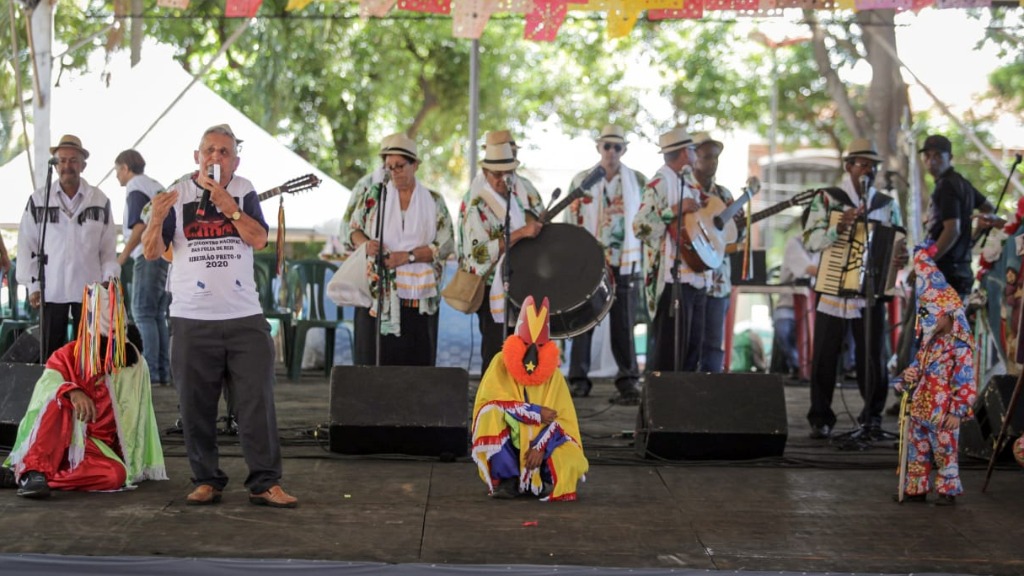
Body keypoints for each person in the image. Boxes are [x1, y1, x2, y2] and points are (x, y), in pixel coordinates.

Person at [141, 123, 297, 508]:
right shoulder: (176, 194)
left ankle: (264, 482)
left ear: (235, 160)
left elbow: (259, 239)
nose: (216, 157)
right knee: (195, 405)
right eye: (209, 150)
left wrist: (230, 207)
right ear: (197, 156)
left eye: (224, 152)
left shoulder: (244, 190)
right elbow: (150, 252)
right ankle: (206, 479)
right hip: (192, 318)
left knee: (255, 403)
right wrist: (156, 219)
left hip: (244, 317)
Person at [3, 280, 166, 499]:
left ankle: (27, 476)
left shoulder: (134, 364)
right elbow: (45, 390)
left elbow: (139, 419)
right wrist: (72, 391)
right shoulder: (66, 355)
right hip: (57, 439)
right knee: (56, 398)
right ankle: (33, 469)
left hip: (96, 448)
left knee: (115, 476)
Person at [802, 138, 905, 440]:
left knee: (873, 357)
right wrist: (838, 228)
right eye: (862, 164)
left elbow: (899, 241)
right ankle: (820, 418)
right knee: (824, 355)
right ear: (848, 166)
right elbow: (810, 241)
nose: (868, 170)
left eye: (872, 166)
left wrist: (901, 256)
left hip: (870, 291)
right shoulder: (827, 199)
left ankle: (871, 416)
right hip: (833, 289)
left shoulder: (886, 205)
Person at [346, 133, 454, 366]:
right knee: (378, 361)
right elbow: (352, 230)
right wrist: (365, 244)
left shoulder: (434, 200)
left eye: (400, 166)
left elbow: (446, 245)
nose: (395, 172)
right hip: (380, 295)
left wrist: (408, 257)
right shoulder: (374, 195)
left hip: (419, 299)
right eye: (389, 167)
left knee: (416, 362)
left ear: (415, 165)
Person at [471, 295, 588, 501]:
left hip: (541, 446)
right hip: (511, 442)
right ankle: (508, 478)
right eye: (526, 343)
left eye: (539, 346)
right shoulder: (500, 363)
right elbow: (489, 404)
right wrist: (535, 413)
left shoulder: (554, 373)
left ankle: (539, 477)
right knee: (490, 415)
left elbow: (563, 421)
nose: (531, 356)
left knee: (571, 460)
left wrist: (541, 446)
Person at [16, 134, 120, 360]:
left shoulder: (100, 200)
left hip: (89, 286)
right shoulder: (39, 199)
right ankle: (51, 393)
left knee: (90, 353)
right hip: (50, 287)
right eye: (61, 160)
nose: (67, 166)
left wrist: (108, 280)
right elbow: (26, 244)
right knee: (50, 352)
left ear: (83, 165)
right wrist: (32, 284)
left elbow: (108, 248)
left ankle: (88, 393)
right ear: (55, 164)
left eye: (73, 160)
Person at [564, 124, 645, 402]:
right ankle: (578, 379)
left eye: (617, 147)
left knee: (624, 324)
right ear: (598, 148)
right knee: (583, 321)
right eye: (607, 146)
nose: (611, 151)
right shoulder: (581, 180)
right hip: (591, 263)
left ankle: (628, 379)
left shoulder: (638, 181)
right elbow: (571, 223)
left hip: (625, 262)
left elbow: (645, 223)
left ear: (624, 150)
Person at [895, 244, 976, 505]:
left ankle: (946, 488)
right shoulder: (931, 342)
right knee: (917, 449)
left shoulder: (960, 346)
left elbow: (965, 380)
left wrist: (958, 410)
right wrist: (906, 376)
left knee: (944, 450)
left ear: (947, 312)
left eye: (932, 316)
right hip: (921, 405)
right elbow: (918, 365)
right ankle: (916, 487)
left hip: (943, 411)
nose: (928, 323)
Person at [456, 142, 544, 368]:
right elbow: (479, 253)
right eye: (496, 174)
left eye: (507, 173)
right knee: (495, 349)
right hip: (490, 285)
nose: (501, 179)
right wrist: (521, 233)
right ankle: (492, 400)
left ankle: (517, 399)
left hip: (519, 280)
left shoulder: (516, 200)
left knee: (521, 347)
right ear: (485, 173)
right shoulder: (477, 204)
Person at [633, 126, 707, 372]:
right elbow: (640, 226)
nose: (696, 153)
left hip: (694, 273)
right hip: (671, 278)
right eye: (693, 148)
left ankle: (682, 404)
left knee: (691, 349)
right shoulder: (659, 183)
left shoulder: (686, 181)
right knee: (668, 351)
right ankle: (659, 406)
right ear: (685, 152)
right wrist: (674, 210)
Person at [115, 149, 171, 386]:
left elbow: (138, 226)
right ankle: (161, 371)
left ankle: (150, 373)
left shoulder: (135, 186)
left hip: (147, 253)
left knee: (142, 312)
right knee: (156, 314)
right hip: (165, 252)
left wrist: (123, 256)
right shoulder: (154, 184)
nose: (117, 176)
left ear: (126, 168)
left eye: (117, 170)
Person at [691, 131, 746, 374]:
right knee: (688, 343)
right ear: (693, 157)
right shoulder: (684, 191)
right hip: (690, 277)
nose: (712, 162)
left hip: (719, 280)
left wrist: (740, 226)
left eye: (716, 158)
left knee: (713, 343)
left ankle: (710, 391)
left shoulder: (725, 195)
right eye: (706, 157)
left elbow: (733, 241)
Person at [920, 134, 1000, 301]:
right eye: (927, 155)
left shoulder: (946, 185)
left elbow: (952, 230)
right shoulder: (961, 182)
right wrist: (971, 238)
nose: (931, 161)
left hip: (945, 273)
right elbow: (989, 209)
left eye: (937, 156)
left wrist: (927, 263)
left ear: (949, 157)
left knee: (939, 326)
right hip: (961, 270)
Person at [772, 234, 818, 378]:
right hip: (788, 304)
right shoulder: (795, 243)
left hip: (815, 306)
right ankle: (797, 365)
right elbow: (809, 269)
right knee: (782, 328)